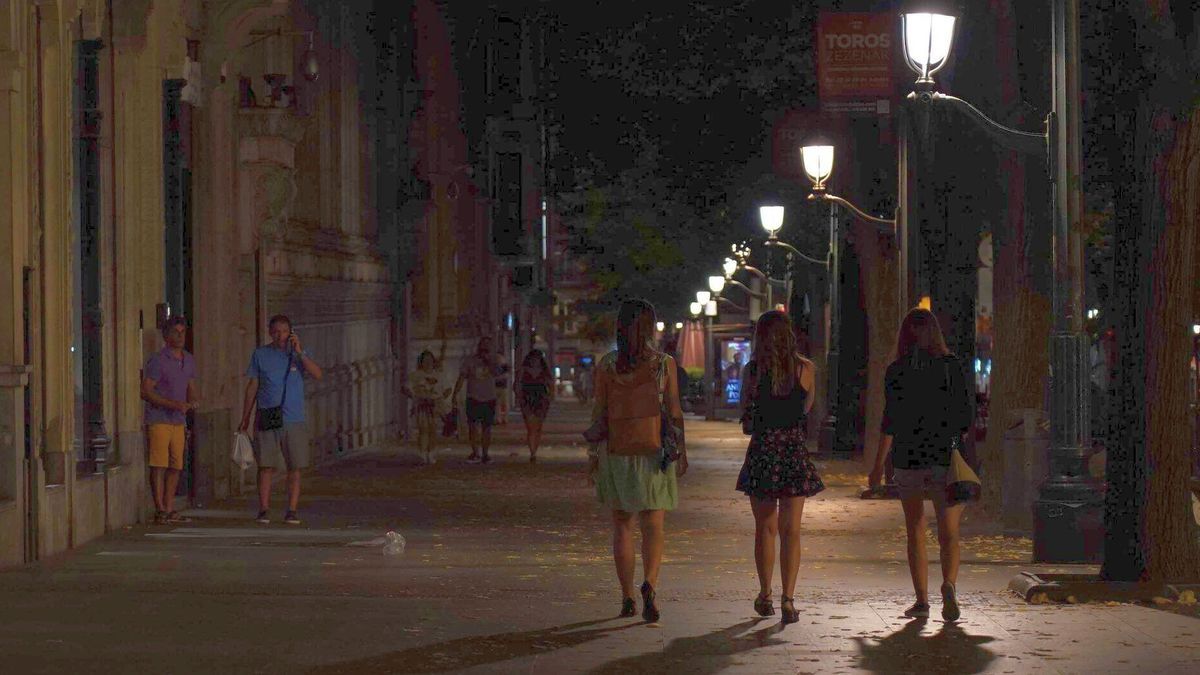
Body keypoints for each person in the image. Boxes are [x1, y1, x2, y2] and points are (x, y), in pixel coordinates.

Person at [869, 307, 974, 622]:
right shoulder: (951, 367)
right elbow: (965, 417)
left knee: (915, 528)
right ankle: (949, 584)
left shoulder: (897, 371)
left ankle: (921, 600)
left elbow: (889, 423)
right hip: (945, 457)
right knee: (949, 530)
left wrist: (877, 468)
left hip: (908, 458)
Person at [588, 299, 688, 622]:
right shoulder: (663, 364)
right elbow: (674, 411)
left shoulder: (606, 366)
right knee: (653, 524)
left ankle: (627, 596)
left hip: (617, 450)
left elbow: (599, 412)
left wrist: (593, 455)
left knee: (622, 525)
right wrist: (682, 451)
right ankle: (650, 583)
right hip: (654, 451)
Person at [736, 310, 823, 625]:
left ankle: (765, 594)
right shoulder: (807, 369)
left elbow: (745, 413)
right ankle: (789, 598)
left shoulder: (753, 370)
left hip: (763, 451)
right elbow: (806, 410)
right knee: (792, 531)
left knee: (765, 528)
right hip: (792, 452)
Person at [238, 314, 323, 525]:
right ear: (270, 332)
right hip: (267, 414)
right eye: (276, 331)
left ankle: (292, 509)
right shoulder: (260, 355)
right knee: (265, 464)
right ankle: (264, 509)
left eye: (284, 331)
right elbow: (253, 387)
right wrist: (245, 417)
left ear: (291, 332)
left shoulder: (298, 355)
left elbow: (317, 374)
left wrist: (300, 352)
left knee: (294, 465)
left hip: (293, 418)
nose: (280, 336)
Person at [141, 315, 198, 525]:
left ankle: (170, 506)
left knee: (176, 464)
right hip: (159, 419)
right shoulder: (158, 360)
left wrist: (193, 400)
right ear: (166, 336)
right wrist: (173, 404)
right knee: (159, 464)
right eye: (176, 332)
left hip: (179, 421)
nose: (180, 336)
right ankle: (160, 509)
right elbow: (146, 391)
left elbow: (190, 386)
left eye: (183, 332)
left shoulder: (189, 360)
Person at [454, 336, 503, 464]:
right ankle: (475, 452)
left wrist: (490, 362)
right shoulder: (470, 361)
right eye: (483, 346)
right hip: (473, 397)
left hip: (489, 397)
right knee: (473, 426)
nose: (485, 349)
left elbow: (499, 375)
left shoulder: (494, 361)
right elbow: (462, 376)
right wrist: (455, 393)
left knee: (487, 427)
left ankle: (485, 453)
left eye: (488, 346)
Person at [402, 350, 451, 465]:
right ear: (421, 362)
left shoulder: (439, 375)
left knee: (433, 429)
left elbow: (448, 388)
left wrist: (441, 397)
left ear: (433, 362)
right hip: (421, 404)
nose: (428, 363)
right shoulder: (415, 375)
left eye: (430, 360)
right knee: (423, 429)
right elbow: (405, 388)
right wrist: (414, 396)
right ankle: (422, 453)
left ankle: (431, 452)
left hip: (436, 405)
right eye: (425, 360)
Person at [516, 349, 554, 463]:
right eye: (533, 359)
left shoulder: (544, 371)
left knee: (538, 427)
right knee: (530, 427)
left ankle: (534, 450)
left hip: (541, 400)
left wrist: (549, 397)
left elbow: (551, 384)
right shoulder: (523, 371)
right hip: (527, 400)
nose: (535, 361)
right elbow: (517, 384)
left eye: (537, 359)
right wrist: (520, 398)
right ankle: (532, 452)